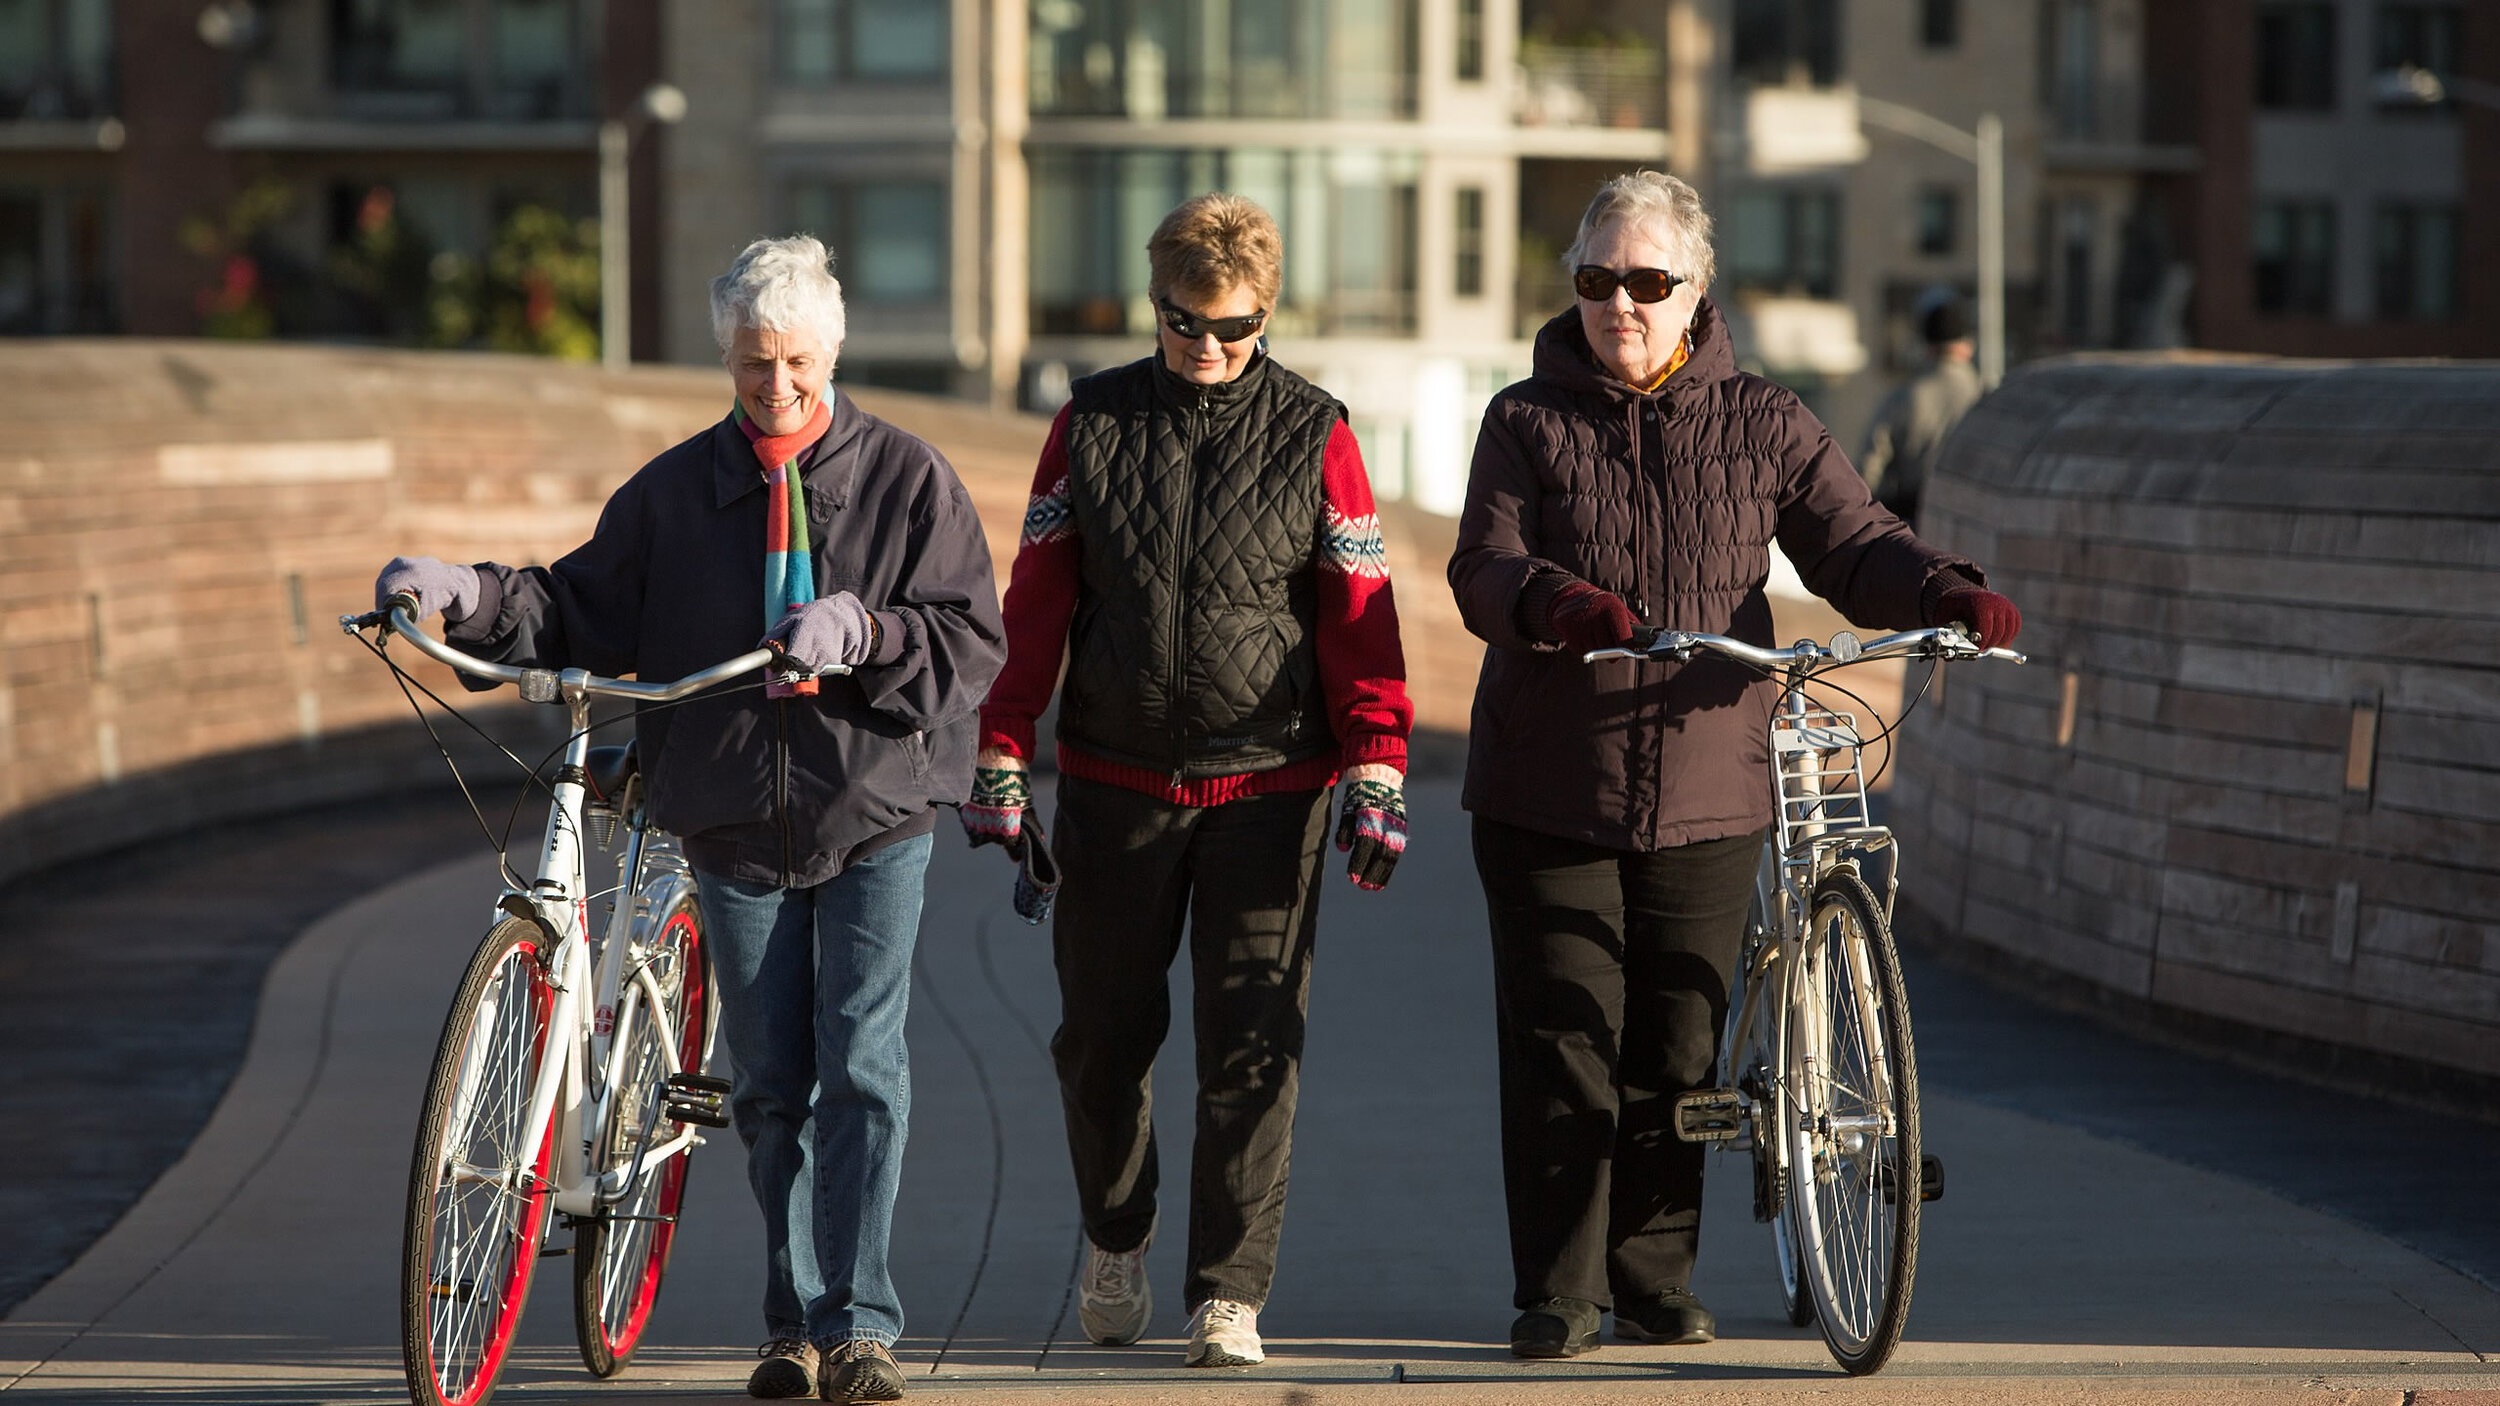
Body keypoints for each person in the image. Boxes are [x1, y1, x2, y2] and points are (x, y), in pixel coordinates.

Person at [374, 235, 1005, 1403]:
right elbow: (575, 605)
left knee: (861, 1063)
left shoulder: (912, 479)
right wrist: (465, 592)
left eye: (798, 360)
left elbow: (973, 644)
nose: (777, 386)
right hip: (725, 814)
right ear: (726, 356)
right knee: (769, 1084)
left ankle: (860, 1323)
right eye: (753, 361)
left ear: (833, 350)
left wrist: (864, 631)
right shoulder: (675, 493)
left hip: (873, 809)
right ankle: (792, 1319)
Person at [1446, 172, 2020, 1360]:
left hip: (1711, 779)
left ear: (1696, 290)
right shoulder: (1524, 418)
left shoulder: (1761, 417)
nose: (1621, 304)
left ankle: (1654, 1280)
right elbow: (1481, 565)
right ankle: (1558, 1291)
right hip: (1548, 782)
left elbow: (1852, 540)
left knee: (1678, 1039)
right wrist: (1558, 605)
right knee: (1565, 1038)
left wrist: (1942, 592)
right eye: (1597, 280)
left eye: (1648, 282)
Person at [964, 193, 1414, 1369]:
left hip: (1272, 788)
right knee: (1101, 1037)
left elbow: (1360, 620)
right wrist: (1003, 743)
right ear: (1151, 300)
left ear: (1269, 313)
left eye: (1236, 326)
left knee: (1251, 1045)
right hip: (1115, 782)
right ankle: (1117, 1234)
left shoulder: (1319, 431)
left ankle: (1227, 1289)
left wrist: (1378, 763)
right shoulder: (1090, 423)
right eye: (1184, 324)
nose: (1208, 348)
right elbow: (1037, 601)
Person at [1859, 295, 1983, 527]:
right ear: (1967, 346)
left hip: (1915, 519)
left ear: (1928, 347)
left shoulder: (1905, 397)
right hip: (1973, 522)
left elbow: (1869, 465)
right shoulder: (1983, 397)